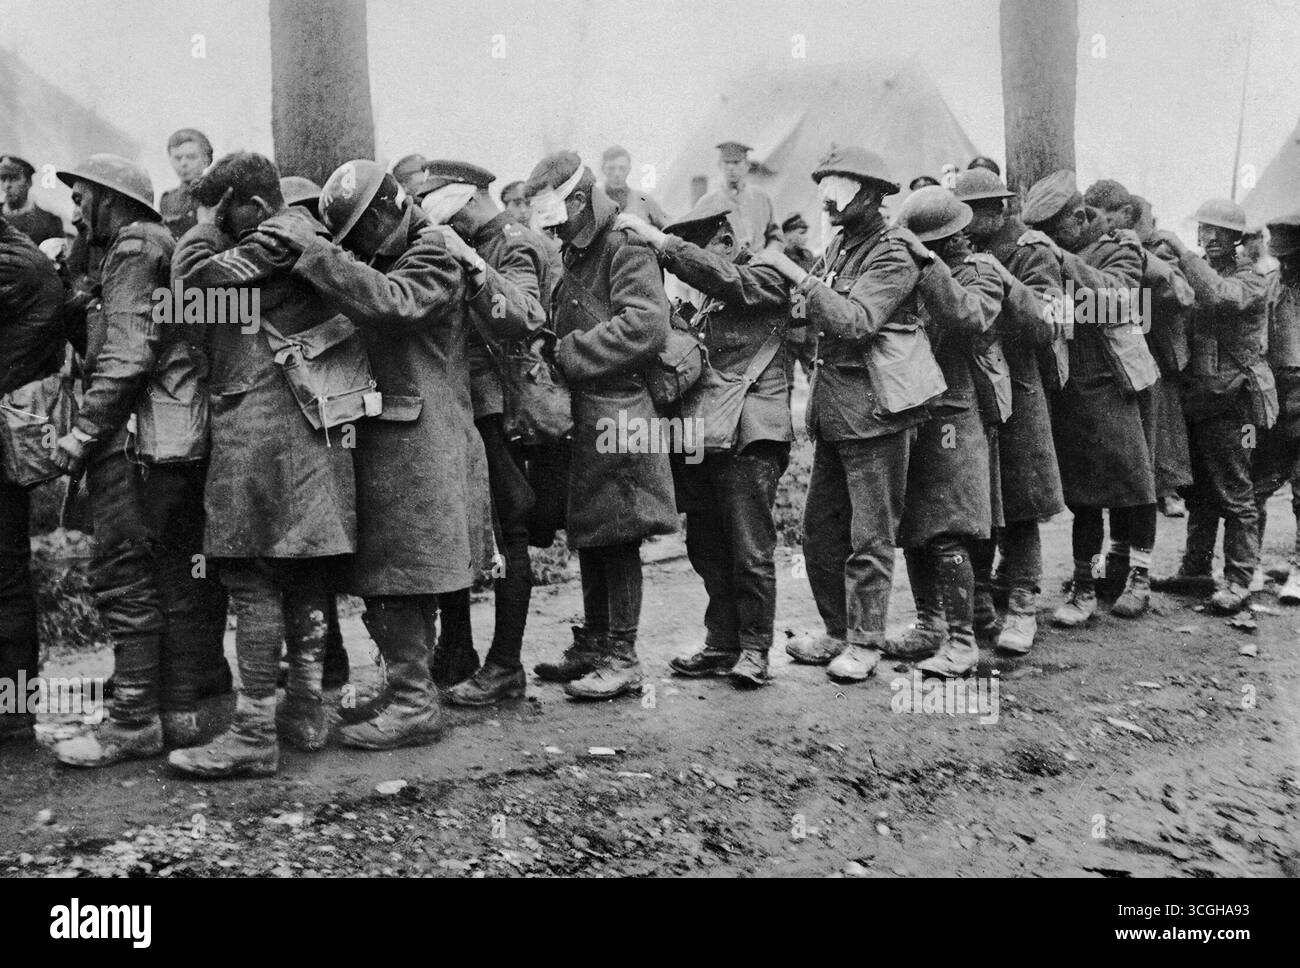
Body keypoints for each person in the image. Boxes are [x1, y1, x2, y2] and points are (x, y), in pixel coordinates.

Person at [259, 158, 495, 741]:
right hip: (394, 438)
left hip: (420, 440)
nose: (359, 242)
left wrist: (316, 253)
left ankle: (415, 707)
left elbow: (394, 303)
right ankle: (405, 690)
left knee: (400, 572)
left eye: (362, 227)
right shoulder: (394, 255)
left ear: (389, 208)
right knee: (390, 572)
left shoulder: (435, 254)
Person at [166, 152, 357, 777]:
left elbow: (189, 289)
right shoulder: (293, 241)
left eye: (224, 211)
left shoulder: (280, 233)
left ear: (248, 205)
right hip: (309, 423)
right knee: (301, 572)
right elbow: (204, 311)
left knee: (250, 574)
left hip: (264, 426)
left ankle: (252, 732)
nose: (217, 224)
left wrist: (201, 223)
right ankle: (303, 709)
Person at [46, 155, 216, 766]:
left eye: (80, 197)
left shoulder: (132, 248)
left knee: (124, 577)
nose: (74, 209)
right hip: (174, 447)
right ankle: (176, 715)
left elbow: (126, 353)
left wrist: (83, 432)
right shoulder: (160, 245)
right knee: (173, 579)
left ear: (107, 199)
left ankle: (133, 721)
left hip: (134, 445)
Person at [752, 145, 936, 683]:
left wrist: (794, 273)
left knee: (870, 535)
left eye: (839, 189)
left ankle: (865, 641)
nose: (826, 201)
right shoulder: (839, 247)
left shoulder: (894, 251)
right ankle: (836, 630)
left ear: (874, 195)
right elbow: (815, 319)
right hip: (835, 412)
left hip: (876, 413)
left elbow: (857, 321)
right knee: (819, 532)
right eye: (823, 189)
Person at [619, 196, 798, 687]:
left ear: (723, 239)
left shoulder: (764, 274)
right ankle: (723, 643)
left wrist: (662, 243)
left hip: (750, 433)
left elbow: (726, 279)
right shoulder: (696, 303)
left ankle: (756, 650)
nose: (688, 261)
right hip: (702, 434)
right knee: (705, 543)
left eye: (700, 245)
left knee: (750, 548)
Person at [522, 150, 676, 700]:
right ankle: (593, 643)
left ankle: (623, 655)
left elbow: (646, 326)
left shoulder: (624, 245)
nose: (557, 228)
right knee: (592, 530)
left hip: (622, 410)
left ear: (581, 201)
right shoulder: (579, 248)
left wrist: (566, 354)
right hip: (590, 412)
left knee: (620, 534)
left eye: (559, 216)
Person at [414, 159, 554, 705]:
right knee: (465, 526)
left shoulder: (512, 244)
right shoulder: (481, 240)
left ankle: (504, 665)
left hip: (503, 409)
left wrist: (470, 262)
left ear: (468, 200)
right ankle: (458, 651)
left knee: (507, 531)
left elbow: (523, 316)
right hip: (469, 406)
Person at [1017, 171, 1158, 627]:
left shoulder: (1121, 248)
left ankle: (1140, 576)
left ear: (1078, 217)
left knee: (1135, 486)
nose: (1052, 240)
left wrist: (1063, 261)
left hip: (1117, 384)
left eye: (1057, 230)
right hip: (1071, 386)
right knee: (1083, 496)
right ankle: (1083, 585)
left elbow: (1119, 302)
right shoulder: (1054, 251)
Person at [892, 186, 1012, 678]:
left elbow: (970, 316)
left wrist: (927, 267)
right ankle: (928, 625)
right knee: (915, 528)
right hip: (915, 411)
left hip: (957, 415)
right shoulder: (915, 273)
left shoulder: (980, 271)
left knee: (949, 528)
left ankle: (962, 642)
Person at [956, 167, 1065, 655]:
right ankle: (981, 602)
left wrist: (1002, 280)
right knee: (977, 499)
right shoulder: (959, 250)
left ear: (1001, 208)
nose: (968, 220)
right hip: (975, 390)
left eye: (978, 210)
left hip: (1020, 389)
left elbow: (1048, 323)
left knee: (1020, 503)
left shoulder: (1032, 251)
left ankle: (1023, 604)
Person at [1159, 198, 1277, 614]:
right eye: (1204, 230)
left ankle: (1240, 578)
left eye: (1217, 232)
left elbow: (1220, 297)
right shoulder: (1203, 271)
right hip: (1203, 399)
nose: (1207, 238)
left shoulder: (1252, 278)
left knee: (1237, 493)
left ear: (1235, 238)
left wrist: (1184, 255)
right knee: (1202, 493)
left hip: (1237, 402)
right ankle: (1194, 570)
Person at [1083, 180, 1194, 603]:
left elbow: (1181, 295)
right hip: (1108, 377)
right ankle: (1114, 565)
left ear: (1126, 218)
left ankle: (1140, 577)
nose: (1100, 225)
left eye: (1105, 216)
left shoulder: (1151, 256)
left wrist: (1142, 253)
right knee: (1112, 477)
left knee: (1141, 476)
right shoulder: (1097, 252)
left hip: (1147, 376)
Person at [0, 211, 65, 745]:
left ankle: (15, 708)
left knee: (5, 577)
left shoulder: (12, 263)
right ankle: (15, 706)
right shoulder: (22, 252)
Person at [1132, 195, 1195, 519]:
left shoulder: (1160, 252)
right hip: (1133, 340)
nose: (1153, 226)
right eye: (1148, 220)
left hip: (1158, 344)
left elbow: (1176, 292)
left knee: (1165, 421)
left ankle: (1168, 489)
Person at [1253, 212, 1300, 603]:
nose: (1287, 264)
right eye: (1282, 257)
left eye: (1293, 257)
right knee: (1258, 482)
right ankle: (1248, 564)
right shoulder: (1270, 285)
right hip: (1274, 391)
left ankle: (1299, 568)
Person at [695, 141, 778, 254]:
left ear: (747, 166)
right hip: (728, 267)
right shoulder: (707, 202)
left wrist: (769, 254)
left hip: (761, 264)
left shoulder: (761, 197)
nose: (731, 168)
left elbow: (776, 236)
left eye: (736, 162)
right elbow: (700, 245)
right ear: (719, 165)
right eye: (726, 163)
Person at [159, 128, 213, 239]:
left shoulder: (215, 195)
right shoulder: (168, 200)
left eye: (191, 157)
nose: (183, 163)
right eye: (177, 158)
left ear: (206, 160)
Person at [0, 155, 64, 246]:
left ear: (29, 182)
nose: (7, 185)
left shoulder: (50, 222)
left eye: (13, 178)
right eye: (3, 179)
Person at [599, 145, 668, 228]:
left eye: (622, 168)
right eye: (611, 168)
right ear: (603, 169)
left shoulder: (644, 200)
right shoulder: (594, 200)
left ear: (629, 169)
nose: (617, 173)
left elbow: (667, 227)